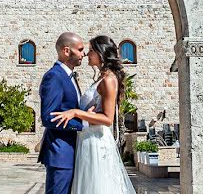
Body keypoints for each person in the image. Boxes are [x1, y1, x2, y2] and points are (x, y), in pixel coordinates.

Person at [51, 35, 136, 194]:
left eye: (90, 51)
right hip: (87, 139)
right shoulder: (101, 78)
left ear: (101, 53)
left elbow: (108, 118)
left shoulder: (108, 80)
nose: (86, 54)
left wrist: (77, 112)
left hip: (96, 142)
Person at [38, 32, 86, 194]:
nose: (83, 53)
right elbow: (48, 117)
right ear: (66, 51)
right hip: (61, 154)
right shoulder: (54, 77)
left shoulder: (69, 76)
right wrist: (83, 124)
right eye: (80, 49)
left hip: (72, 152)